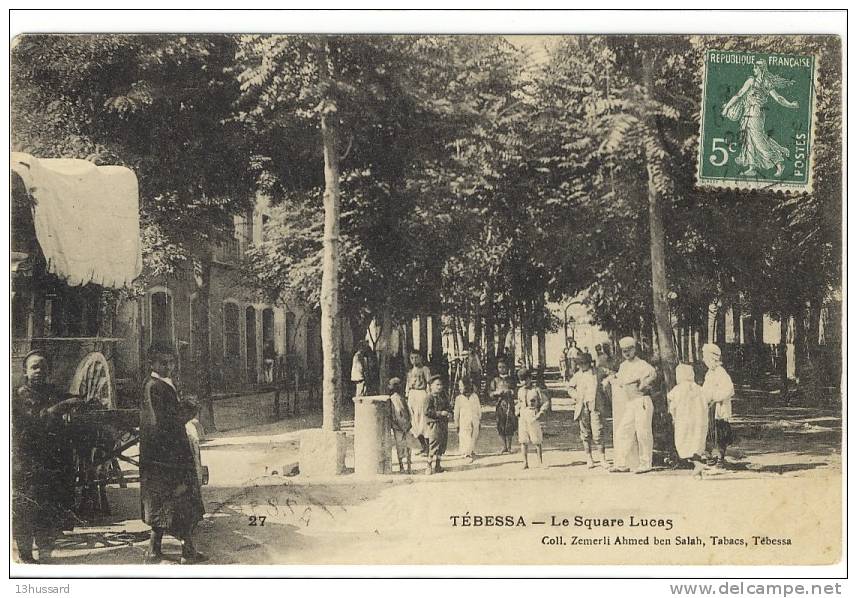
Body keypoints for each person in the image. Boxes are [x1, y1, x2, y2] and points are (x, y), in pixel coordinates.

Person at [12, 350, 83, 563]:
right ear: (25, 371)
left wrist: (77, 401)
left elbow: (71, 398)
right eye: (34, 367)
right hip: (27, 460)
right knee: (26, 507)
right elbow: (38, 419)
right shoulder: (21, 394)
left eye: (43, 367)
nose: (39, 371)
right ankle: (24, 554)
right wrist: (63, 407)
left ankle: (44, 550)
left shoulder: (50, 390)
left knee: (47, 505)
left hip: (49, 459)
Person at [140, 343, 206, 564]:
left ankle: (153, 551)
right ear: (152, 363)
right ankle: (188, 552)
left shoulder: (156, 385)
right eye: (163, 363)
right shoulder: (157, 387)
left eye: (171, 362)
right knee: (182, 500)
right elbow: (165, 422)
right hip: (169, 455)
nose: (168, 367)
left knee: (163, 504)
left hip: (158, 455)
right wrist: (189, 410)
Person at [721, 59, 800, 178]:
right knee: (749, 139)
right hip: (750, 112)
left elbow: (739, 94)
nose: (753, 70)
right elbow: (778, 98)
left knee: (759, 141)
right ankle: (752, 167)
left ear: (760, 69)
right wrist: (790, 105)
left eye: (755, 68)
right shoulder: (762, 82)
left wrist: (727, 108)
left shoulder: (754, 81)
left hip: (755, 113)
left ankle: (779, 163)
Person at [607, 337, 658, 474]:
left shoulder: (642, 364)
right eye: (624, 351)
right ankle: (621, 463)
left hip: (642, 401)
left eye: (629, 350)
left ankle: (645, 463)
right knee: (623, 431)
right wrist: (610, 379)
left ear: (635, 349)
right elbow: (619, 379)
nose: (627, 353)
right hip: (630, 403)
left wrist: (643, 384)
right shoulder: (623, 366)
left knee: (643, 432)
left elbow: (653, 374)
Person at [567, 353, 609, 469]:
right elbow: (570, 388)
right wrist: (576, 396)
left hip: (595, 405)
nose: (582, 366)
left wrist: (606, 383)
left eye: (584, 363)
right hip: (582, 406)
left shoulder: (598, 371)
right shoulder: (577, 375)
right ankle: (589, 458)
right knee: (585, 433)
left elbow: (611, 374)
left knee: (598, 432)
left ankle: (602, 458)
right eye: (579, 364)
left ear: (589, 363)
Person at [667, 363, 709, 477]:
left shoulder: (678, 389)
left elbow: (672, 404)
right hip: (698, 420)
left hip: (684, 420)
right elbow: (706, 403)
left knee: (684, 442)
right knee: (696, 442)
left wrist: (673, 416)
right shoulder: (698, 388)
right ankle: (698, 468)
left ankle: (697, 464)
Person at [701, 343, 735, 468]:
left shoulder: (721, 372)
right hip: (709, 407)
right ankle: (710, 457)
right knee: (709, 432)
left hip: (718, 407)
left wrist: (715, 397)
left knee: (720, 432)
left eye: (705, 357)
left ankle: (720, 458)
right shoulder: (709, 373)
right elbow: (706, 389)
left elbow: (729, 389)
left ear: (712, 358)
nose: (703, 359)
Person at [516, 368, 550, 469]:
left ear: (530, 378)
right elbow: (519, 402)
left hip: (532, 415)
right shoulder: (520, 391)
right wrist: (517, 410)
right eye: (521, 380)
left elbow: (545, 401)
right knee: (523, 440)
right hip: (522, 416)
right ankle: (525, 462)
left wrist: (540, 413)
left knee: (537, 440)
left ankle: (540, 462)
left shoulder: (536, 390)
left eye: (526, 379)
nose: (524, 382)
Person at [406, 350, 433, 456]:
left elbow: (429, 383)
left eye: (416, 357)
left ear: (421, 358)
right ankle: (423, 446)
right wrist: (407, 395)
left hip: (421, 394)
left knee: (423, 420)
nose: (414, 360)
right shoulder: (410, 371)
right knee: (414, 422)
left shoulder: (425, 369)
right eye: (412, 358)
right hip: (412, 395)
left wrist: (429, 397)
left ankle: (428, 447)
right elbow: (408, 385)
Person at [424, 375, 451, 475]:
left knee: (442, 444)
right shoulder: (429, 398)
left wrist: (449, 412)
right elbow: (427, 412)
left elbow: (448, 407)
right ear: (431, 386)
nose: (439, 387)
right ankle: (429, 466)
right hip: (434, 424)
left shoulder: (443, 397)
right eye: (437, 385)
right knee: (434, 444)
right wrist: (440, 413)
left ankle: (438, 465)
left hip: (443, 423)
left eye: (441, 385)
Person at [490, 359, 517, 454]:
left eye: (504, 367)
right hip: (499, 405)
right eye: (499, 367)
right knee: (500, 424)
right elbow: (490, 393)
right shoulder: (495, 380)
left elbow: (516, 391)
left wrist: (510, 391)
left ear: (507, 368)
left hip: (509, 404)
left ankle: (509, 446)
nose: (502, 369)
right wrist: (497, 393)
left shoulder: (511, 379)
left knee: (509, 424)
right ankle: (503, 446)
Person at [387, 377, 413, 474]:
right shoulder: (396, 398)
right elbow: (398, 413)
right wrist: (405, 425)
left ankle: (404, 466)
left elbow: (401, 412)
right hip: (400, 426)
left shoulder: (397, 398)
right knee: (404, 446)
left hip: (401, 425)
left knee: (402, 446)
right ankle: (404, 466)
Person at [453, 378, 482, 462]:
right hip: (464, 421)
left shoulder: (474, 396)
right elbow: (456, 412)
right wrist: (456, 423)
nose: (460, 388)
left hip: (474, 420)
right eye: (459, 386)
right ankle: (467, 453)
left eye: (461, 386)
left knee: (474, 435)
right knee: (465, 436)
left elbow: (478, 409)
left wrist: (479, 418)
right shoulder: (459, 398)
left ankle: (471, 450)